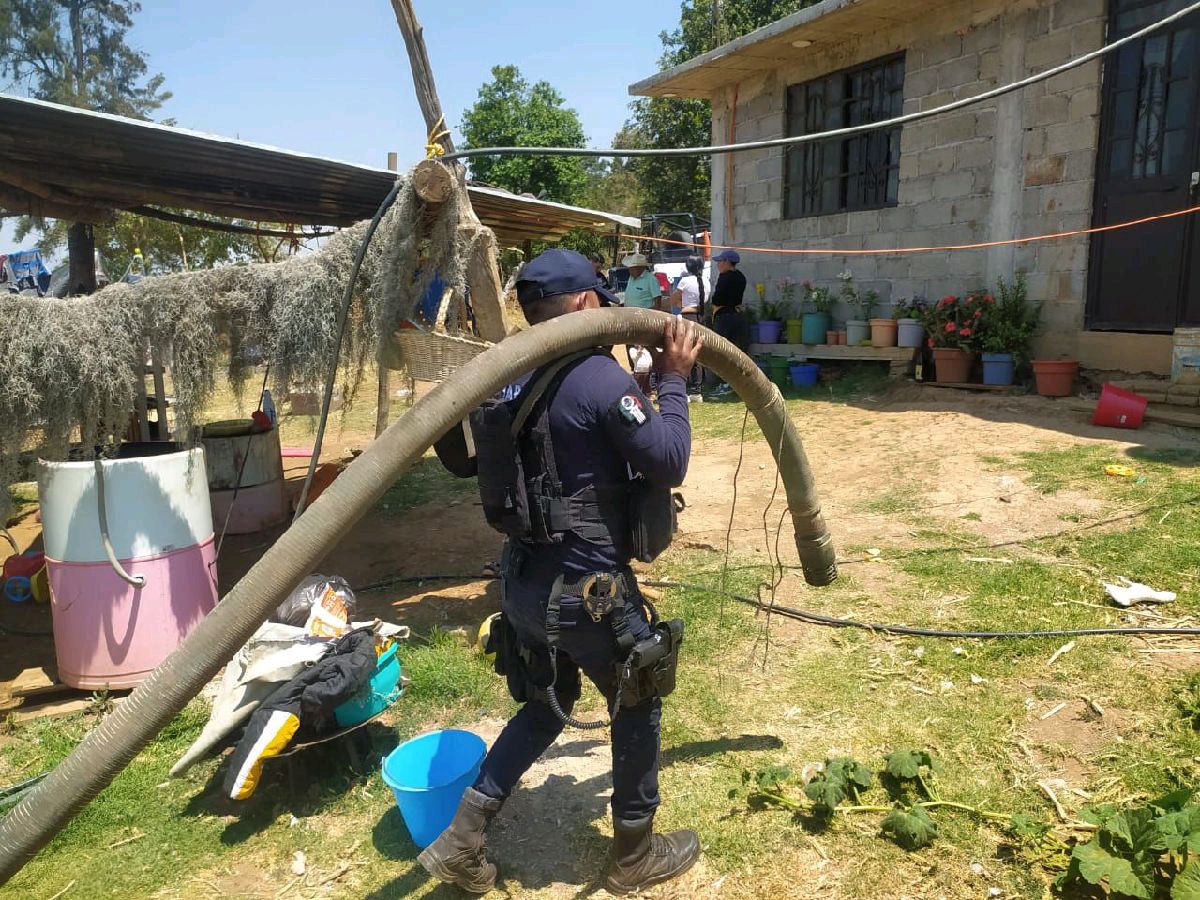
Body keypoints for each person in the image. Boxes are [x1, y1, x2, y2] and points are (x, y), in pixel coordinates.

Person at [421, 248, 703, 896]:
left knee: (550, 704)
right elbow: (670, 460)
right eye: (599, 298)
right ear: (582, 305)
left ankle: (462, 839)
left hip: (521, 585)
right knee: (639, 697)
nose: (605, 308)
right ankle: (634, 855)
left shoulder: (510, 375)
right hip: (586, 596)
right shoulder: (601, 380)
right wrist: (675, 378)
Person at [707, 249, 749, 397]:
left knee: (723, 351)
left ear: (726, 262)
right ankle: (738, 383)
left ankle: (725, 383)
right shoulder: (741, 277)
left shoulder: (724, 277)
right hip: (737, 315)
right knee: (736, 350)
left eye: (720, 261)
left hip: (724, 316)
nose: (718, 264)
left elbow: (717, 299)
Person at [668, 255, 710, 400]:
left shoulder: (685, 281)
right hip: (700, 317)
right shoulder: (706, 281)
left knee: (683, 351)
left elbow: (672, 300)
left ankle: (684, 387)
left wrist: (682, 305)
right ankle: (697, 390)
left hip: (687, 317)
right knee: (697, 353)